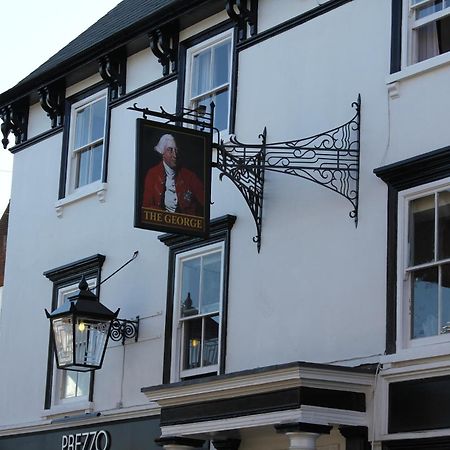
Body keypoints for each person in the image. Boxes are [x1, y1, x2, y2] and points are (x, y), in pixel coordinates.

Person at [142, 134, 204, 215]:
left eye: (176, 150)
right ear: (162, 152)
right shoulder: (153, 174)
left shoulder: (189, 176)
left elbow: (205, 201)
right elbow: (147, 205)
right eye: (170, 150)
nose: (175, 155)